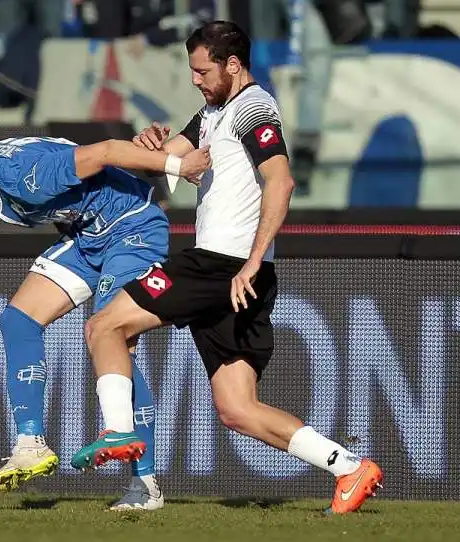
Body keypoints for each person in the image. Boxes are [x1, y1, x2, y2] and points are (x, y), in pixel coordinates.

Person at [70, 21, 383, 514]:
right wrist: (147, 144)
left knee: (103, 325)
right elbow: (165, 161)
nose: (195, 78)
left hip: (223, 264)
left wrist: (252, 262)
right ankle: (348, 467)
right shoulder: (215, 110)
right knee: (237, 409)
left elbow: (280, 183)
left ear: (232, 65)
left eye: (202, 70)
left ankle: (119, 431)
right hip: (234, 274)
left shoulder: (254, 109)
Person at [0, 135, 210, 510]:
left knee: (112, 339)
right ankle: (30, 444)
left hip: (131, 227)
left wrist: (177, 165)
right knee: (18, 320)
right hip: (88, 238)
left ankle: (145, 483)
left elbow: (104, 152)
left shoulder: (25, 177)